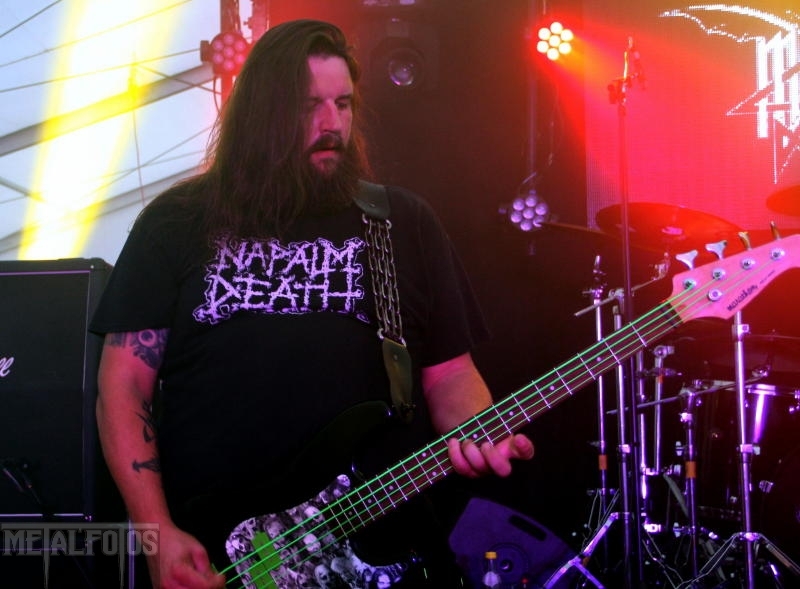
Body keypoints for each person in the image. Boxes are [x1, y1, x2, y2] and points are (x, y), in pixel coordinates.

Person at [91, 18, 534, 589]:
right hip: (223, 553)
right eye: (309, 107)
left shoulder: (400, 223)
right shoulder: (176, 223)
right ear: (261, 115)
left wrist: (478, 430)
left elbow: (449, 374)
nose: (332, 124)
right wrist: (156, 532)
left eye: (343, 104)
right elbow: (123, 387)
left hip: (378, 548)